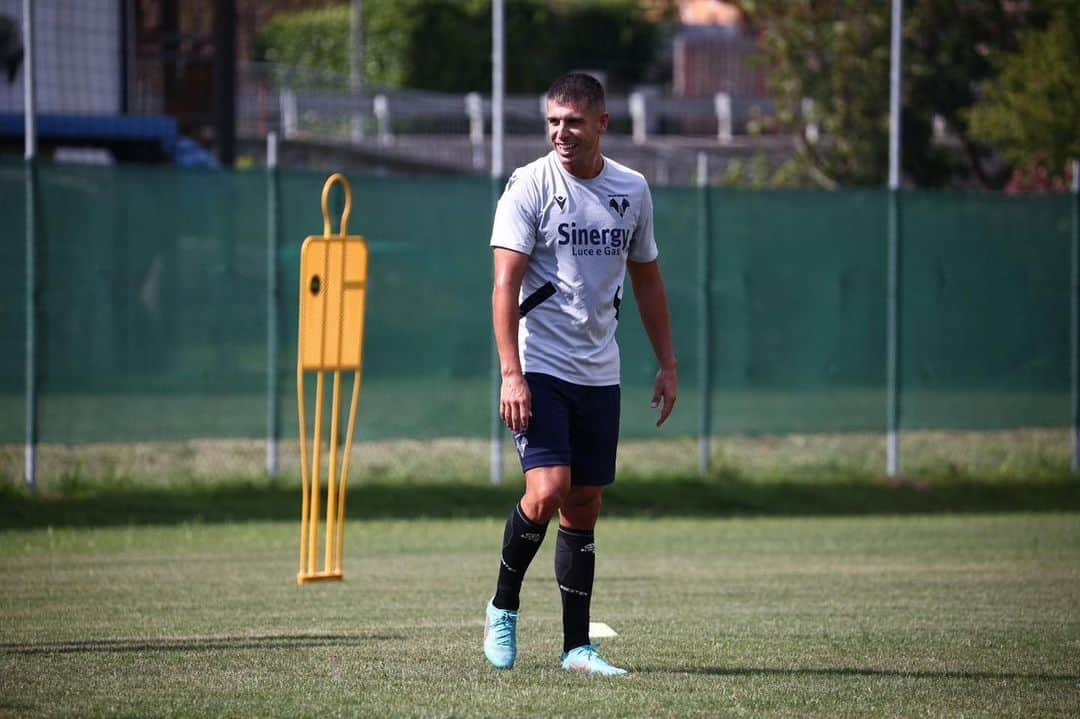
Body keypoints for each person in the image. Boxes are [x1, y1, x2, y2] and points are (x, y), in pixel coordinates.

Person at [484, 72, 678, 676]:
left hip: (601, 371)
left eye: (571, 121)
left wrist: (667, 362)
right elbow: (504, 283)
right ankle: (502, 608)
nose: (560, 133)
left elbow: (647, 278)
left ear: (601, 124)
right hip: (539, 364)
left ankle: (575, 648)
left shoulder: (632, 189)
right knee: (547, 489)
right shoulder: (529, 186)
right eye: (552, 122)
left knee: (585, 501)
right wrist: (510, 373)